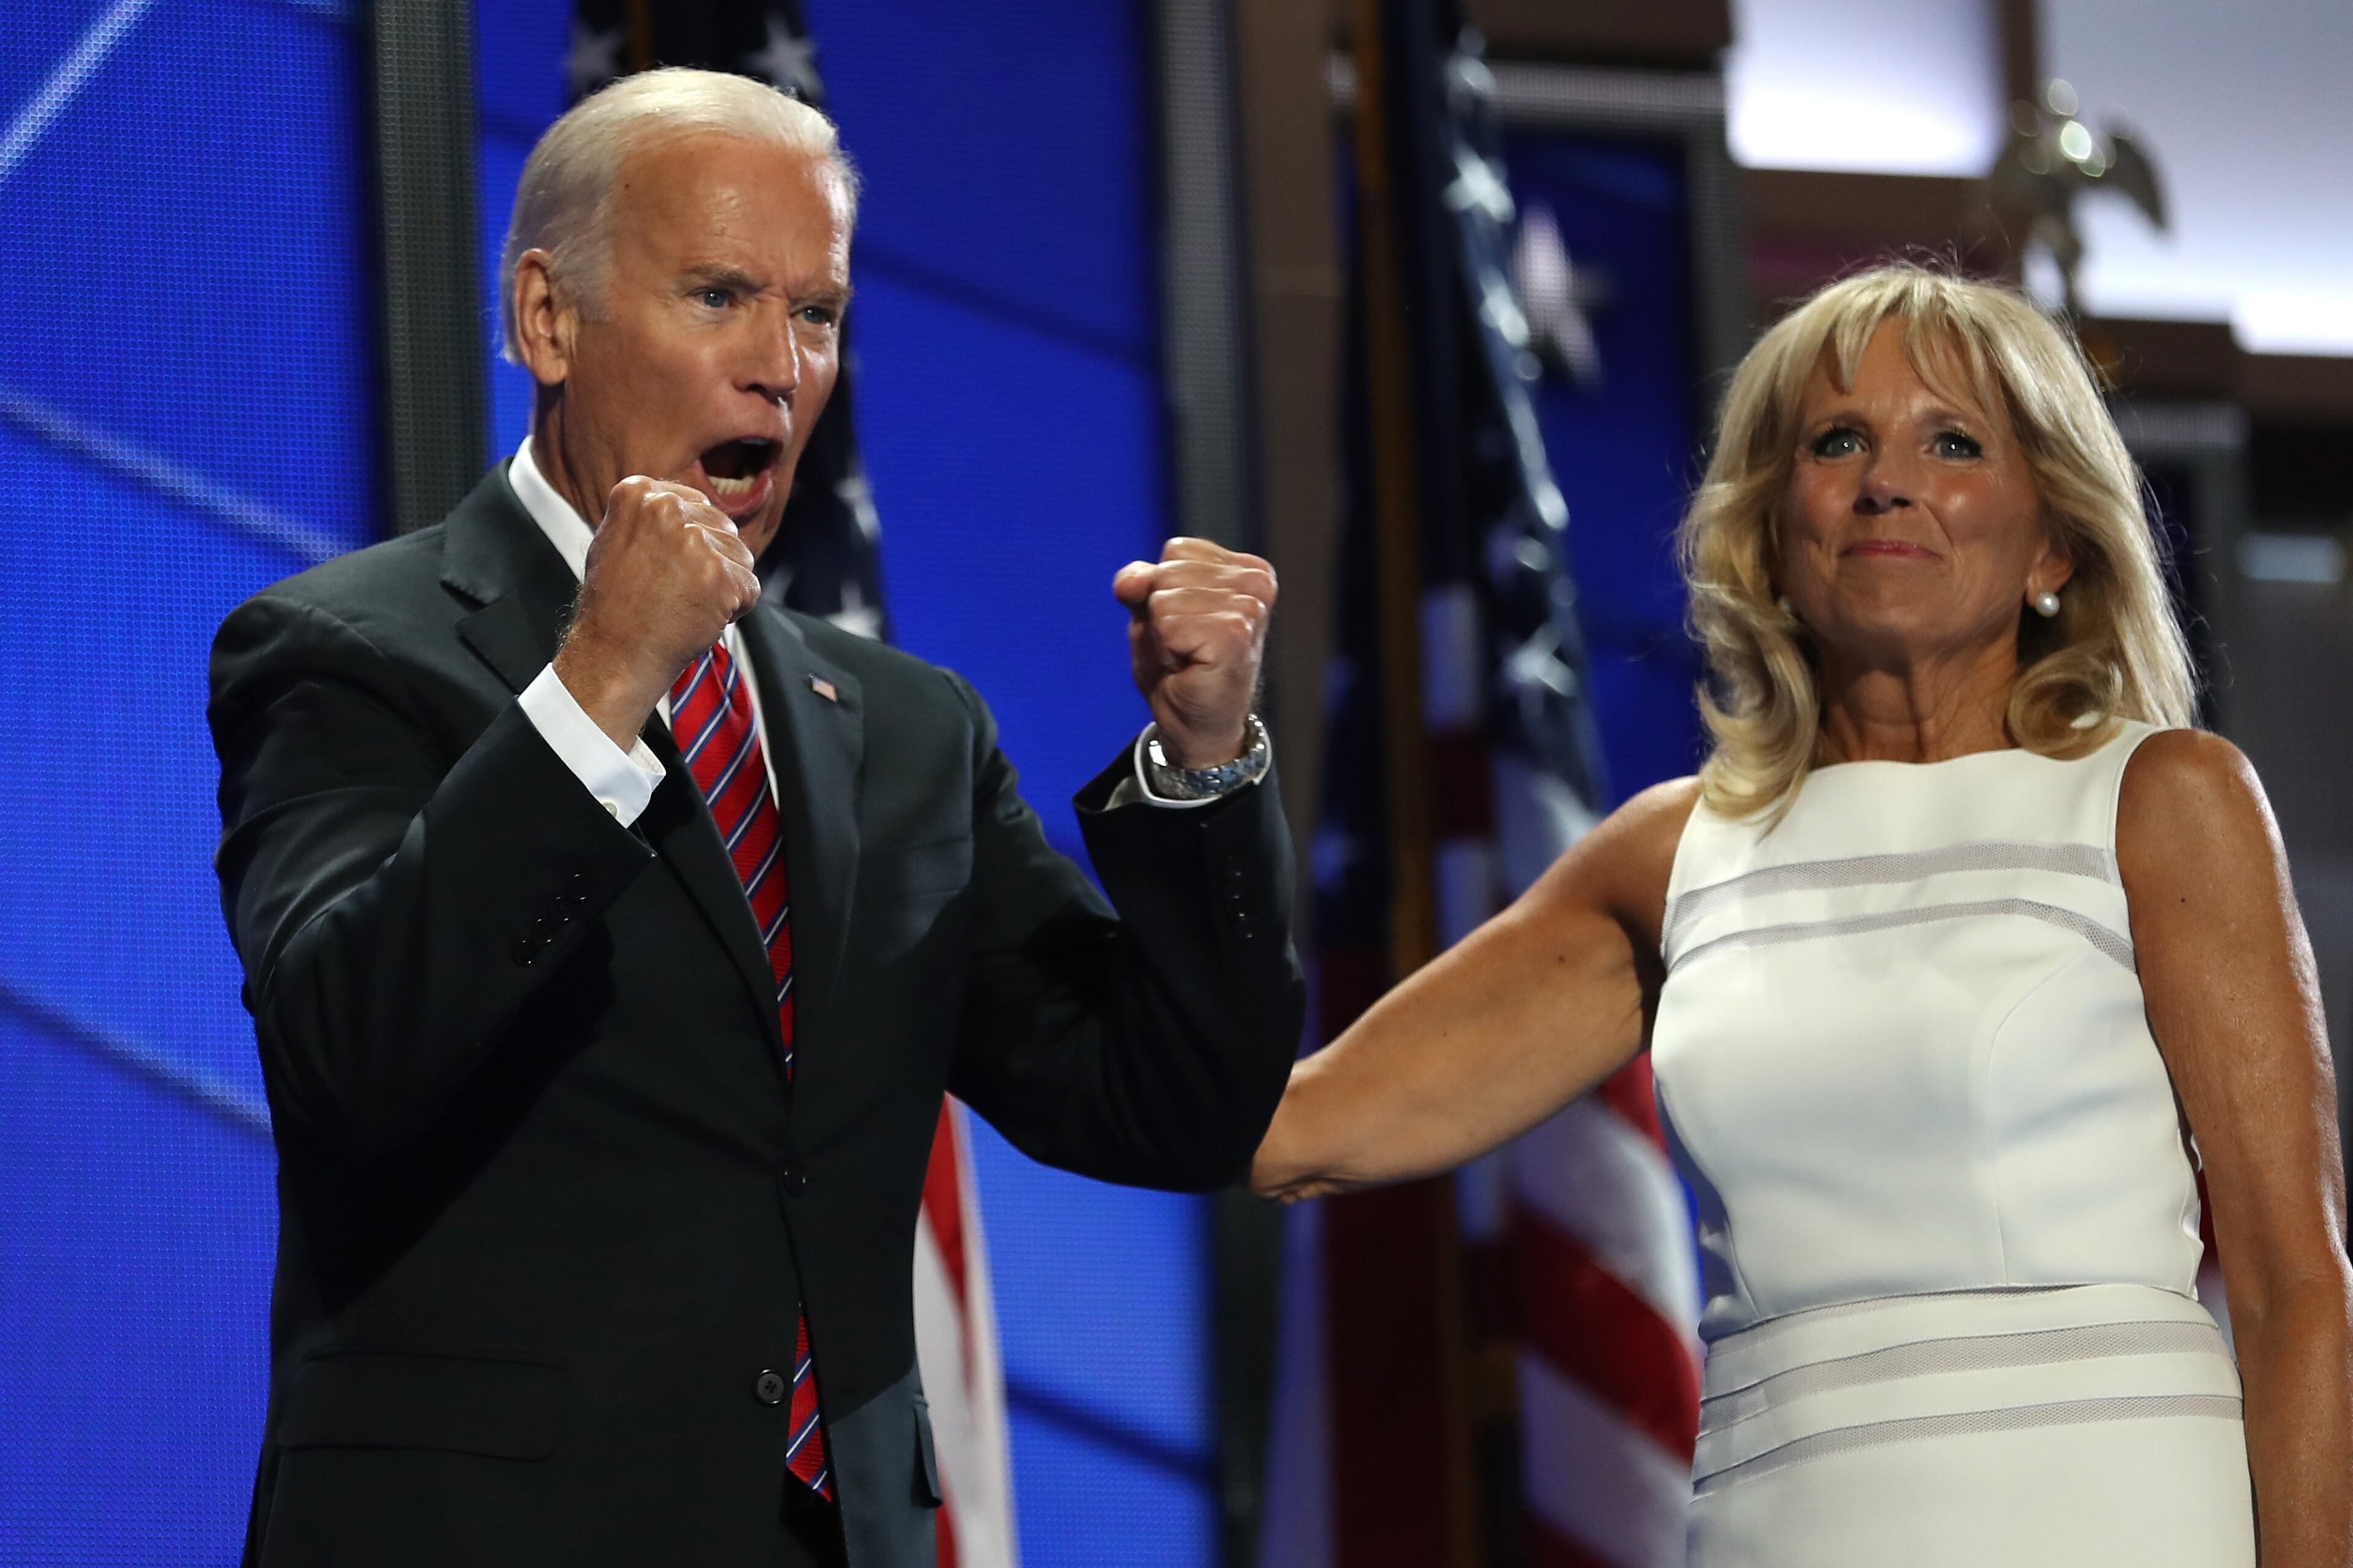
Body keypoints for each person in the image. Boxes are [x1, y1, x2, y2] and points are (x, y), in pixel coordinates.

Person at [210, 69, 1300, 1568]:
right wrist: (600, 677)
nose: (779, 368)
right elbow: (350, 1047)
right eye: (720, 294)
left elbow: (1169, 1102)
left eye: (818, 314)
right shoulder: (346, 648)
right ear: (548, 319)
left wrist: (1204, 759)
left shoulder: (910, 731)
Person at [1253, 265, 2353, 1566]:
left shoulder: (2164, 801)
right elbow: (1292, 1128)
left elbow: (2296, 1290)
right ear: (1775, 529)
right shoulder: (1674, 854)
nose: (1888, 479)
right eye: (1839, 441)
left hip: (2113, 1512)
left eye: (1953, 442)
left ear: (2054, 543)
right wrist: (1177, 794)